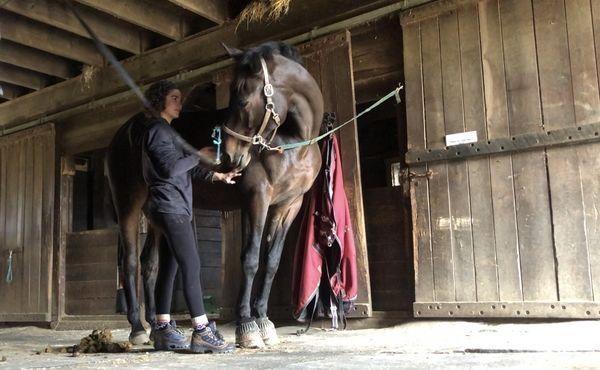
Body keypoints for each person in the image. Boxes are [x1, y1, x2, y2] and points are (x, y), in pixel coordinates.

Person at [141, 80, 238, 353]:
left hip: (170, 207)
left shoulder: (167, 132)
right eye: (174, 98)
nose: (179, 103)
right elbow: (171, 169)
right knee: (192, 265)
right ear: (160, 101)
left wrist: (217, 175)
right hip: (170, 206)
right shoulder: (158, 131)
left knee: (170, 265)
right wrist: (198, 155)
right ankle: (202, 331)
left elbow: (185, 169)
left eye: (179, 98)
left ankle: (162, 329)